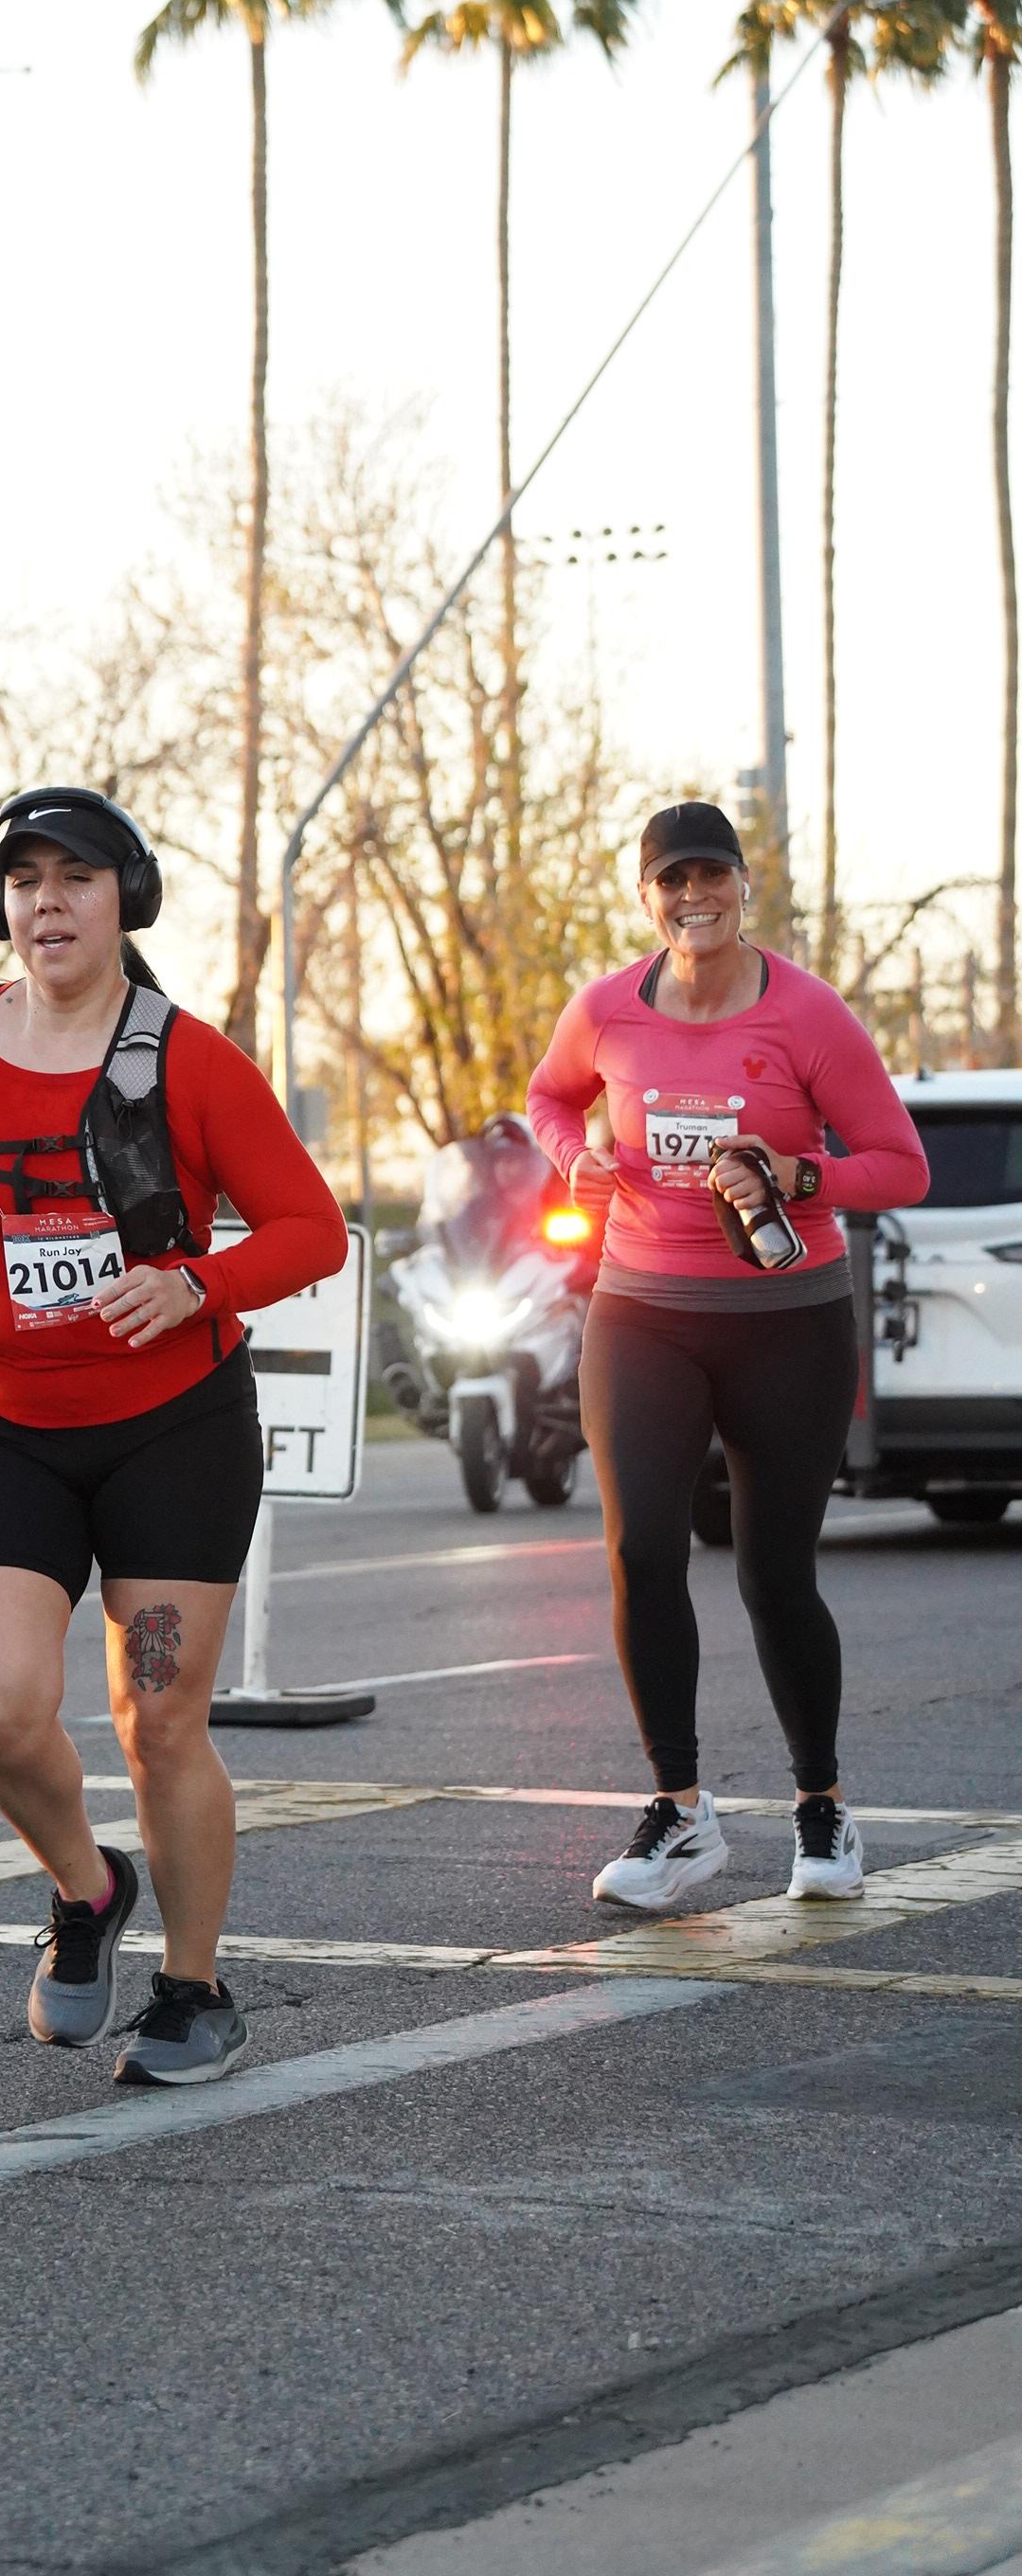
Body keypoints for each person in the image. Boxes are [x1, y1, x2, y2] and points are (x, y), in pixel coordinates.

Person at [0, 787, 347, 2085]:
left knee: (158, 1721)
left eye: (75, 877)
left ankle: (195, 1989)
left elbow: (310, 1228)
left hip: (171, 1432)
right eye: (24, 880)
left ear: (125, 897)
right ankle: (86, 1889)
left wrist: (200, 1284)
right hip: (5, 1424)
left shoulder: (187, 1058)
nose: (48, 902)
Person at [527, 801, 929, 1911]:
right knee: (639, 1548)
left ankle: (820, 1805)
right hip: (641, 1311)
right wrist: (573, 1156)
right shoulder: (605, 1008)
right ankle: (679, 1811)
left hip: (786, 1318)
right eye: (671, 879)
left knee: (771, 1572)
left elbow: (900, 1165)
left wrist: (801, 1176)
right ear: (644, 895)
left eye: (710, 875)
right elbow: (548, 1095)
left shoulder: (805, 1012)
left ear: (743, 886)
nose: (691, 896)